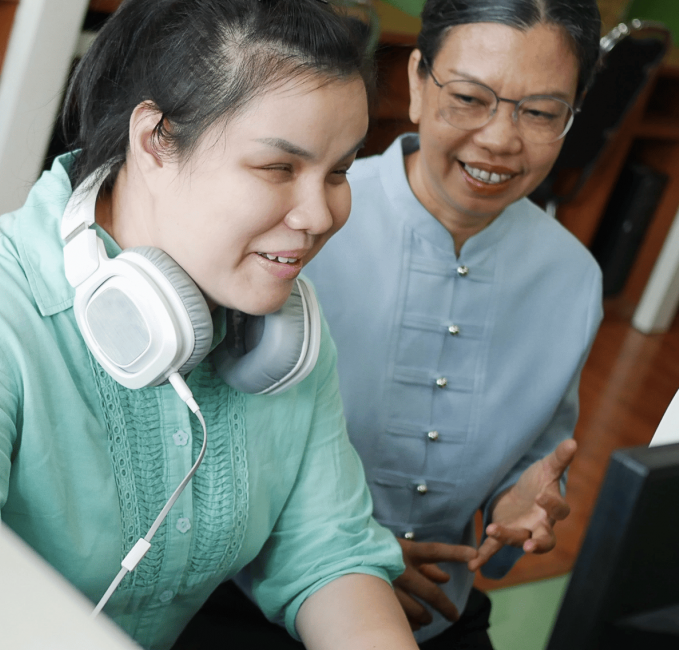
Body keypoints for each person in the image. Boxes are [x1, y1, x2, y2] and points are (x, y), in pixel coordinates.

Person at [0, 1, 419, 649]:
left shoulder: (281, 326)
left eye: (339, 172)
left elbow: (327, 555)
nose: (319, 215)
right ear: (156, 138)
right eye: (278, 168)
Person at [178, 0, 604, 647]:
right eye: (468, 97)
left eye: (540, 111)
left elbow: (540, 453)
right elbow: (193, 442)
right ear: (414, 81)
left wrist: (524, 502)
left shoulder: (574, 279)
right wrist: (344, 563)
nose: (497, 138)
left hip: (436, 612)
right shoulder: (300, 221)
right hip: (245, 596)